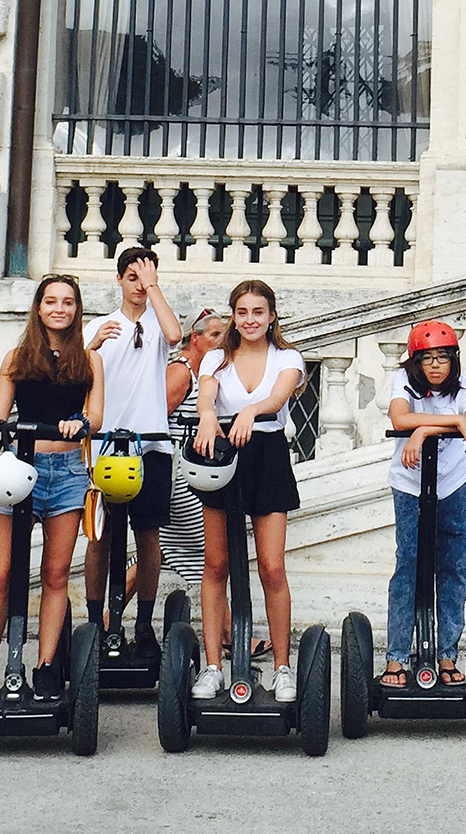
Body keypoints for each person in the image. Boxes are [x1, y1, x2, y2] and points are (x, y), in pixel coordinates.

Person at [0, 274, 105, 696]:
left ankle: (45, 665)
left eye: (67, 302)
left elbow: (95, 417)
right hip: (18, 470)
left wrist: (77, 423)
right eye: (51, 301)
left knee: (56, 573)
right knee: (3, 573)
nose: (59, 308)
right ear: (38, 308)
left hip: (66, 473)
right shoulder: (16, 357)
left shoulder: (89, 359)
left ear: (77, 309)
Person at [189, 280, 306, 702]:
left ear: (271, 316)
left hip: (268, 455)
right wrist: (207, 417)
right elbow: (206, 399)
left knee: (272, 567)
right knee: (216, 564)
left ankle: (282, 666)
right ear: (234, 316)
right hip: (222, 458)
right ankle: (214, 666)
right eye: (242, 312)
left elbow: (277, 397)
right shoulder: (217, 359)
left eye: (258, 312)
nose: (250, 320)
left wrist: (249, 411)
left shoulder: (287, 357)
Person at [84, 247, 183, 644]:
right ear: (119, 280)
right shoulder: (101, 324)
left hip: (150, 444)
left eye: (145, 279)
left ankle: (143, 621)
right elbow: (77, 372)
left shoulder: (160, 323)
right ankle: (96, 621)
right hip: (104, 445)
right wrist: (91, 343)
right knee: (100, 536)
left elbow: (175, 335)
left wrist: (154, 286)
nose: (139, 287)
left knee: (147, 534)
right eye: (132, 278)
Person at [384, 321, 466, 688]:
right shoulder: (403, 383)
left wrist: (424, 430)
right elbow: (400, 417)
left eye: (443, 358)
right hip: (410, 485)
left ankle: (446, 654)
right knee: (408, 566)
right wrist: (450, 422)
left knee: (454, 568)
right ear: (416, 362)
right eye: (428, 359)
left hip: (455, 483)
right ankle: (396, 657)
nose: (436, 366)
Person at [160, 309, 225, 589]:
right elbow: (156, 416)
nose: (221, 341)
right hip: (180, 475)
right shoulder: (181, 372)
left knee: (164, 550)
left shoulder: (204, 373)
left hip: (192, 472)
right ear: (195, 338)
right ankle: (231, 630)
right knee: (209, 552)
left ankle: (104, 621)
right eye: (214, 335)